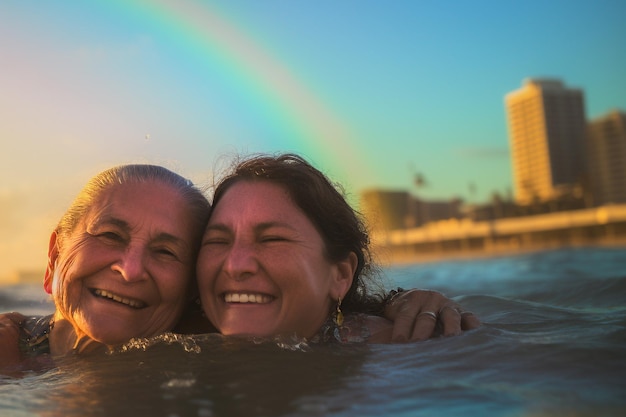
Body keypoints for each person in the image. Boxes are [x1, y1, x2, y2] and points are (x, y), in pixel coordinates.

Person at [197, 153, 479, 343]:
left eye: (272, 239)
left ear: (341, 275)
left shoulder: (405, 349)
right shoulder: (178, 336)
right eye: (217, 241)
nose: (235, 264)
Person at [0, 164, 211, 373]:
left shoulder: (209, 371)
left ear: (192, 290)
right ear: (55, 255)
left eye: (165, 252)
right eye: (110, 235)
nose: (131, 271)